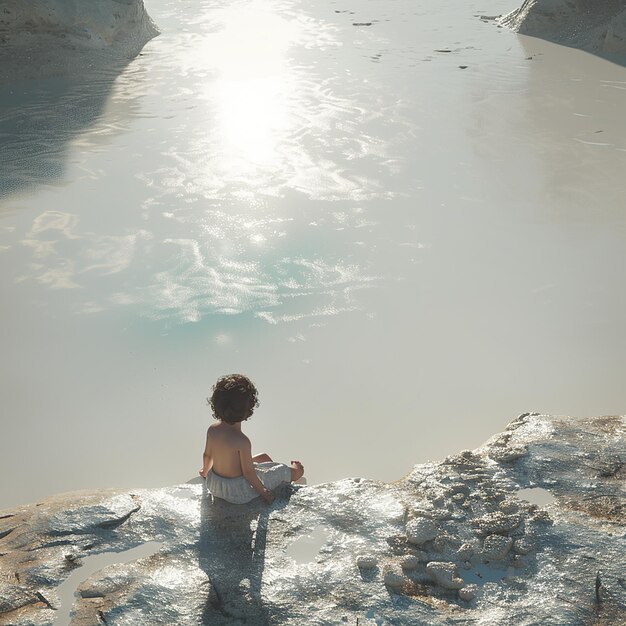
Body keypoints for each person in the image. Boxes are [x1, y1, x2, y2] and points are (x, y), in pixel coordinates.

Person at [199, 374, 304, 504]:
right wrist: (264, 493)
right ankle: (295, 469)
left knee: (263, 457)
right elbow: (248, 474)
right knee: (285, 470)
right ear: (248, 409)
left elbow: (208, 455)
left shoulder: (212, 429)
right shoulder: (242, 441)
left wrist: (204, 472)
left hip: (215, 484)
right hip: (237, 491)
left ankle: (273, 473)